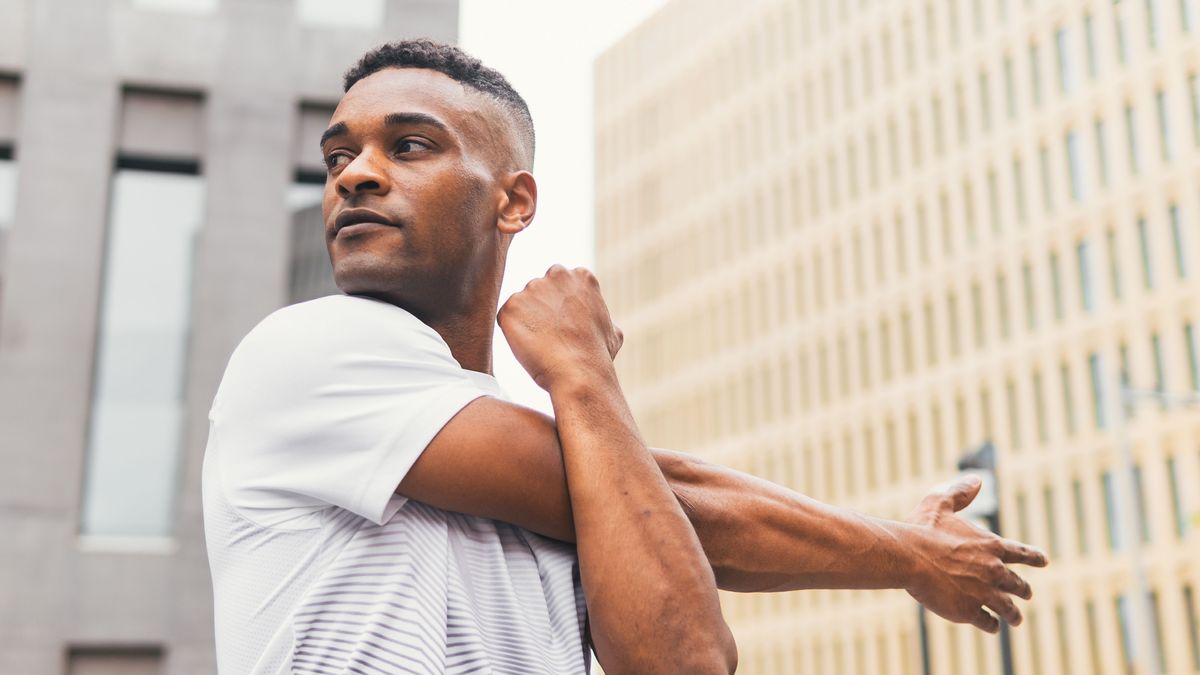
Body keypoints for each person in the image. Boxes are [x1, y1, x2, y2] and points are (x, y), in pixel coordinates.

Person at [202, 39, 1047, 674]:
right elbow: (681, 498)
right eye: (340, 155)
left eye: (410, 146)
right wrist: (582, 370)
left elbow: (684, 652)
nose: (355, 175)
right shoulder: (307, 352)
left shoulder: (569, 450)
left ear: (514, 200)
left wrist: (584, 393)